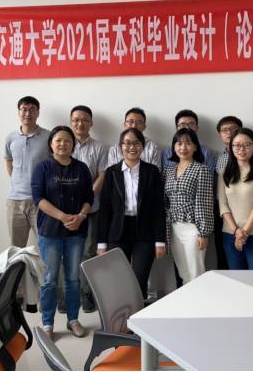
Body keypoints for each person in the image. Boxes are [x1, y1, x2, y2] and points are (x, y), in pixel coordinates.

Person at [31, 126, 94, 341]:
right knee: (50, 279)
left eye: (67, 140)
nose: (62, 144)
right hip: (50, 232)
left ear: (73, 144)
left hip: (76, 231)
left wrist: (81, 216)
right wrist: (63, 217)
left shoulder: (81, 168)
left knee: (73, 279)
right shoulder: (43, 167)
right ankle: (48, 322)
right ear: (51, 143)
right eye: (58, 140)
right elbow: (38, 198)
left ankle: (73, 319)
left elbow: (89, 196)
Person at [97, 129, 166, 298]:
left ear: (142, 146)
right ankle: (121, 314)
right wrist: (101, 243)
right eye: (127, 143)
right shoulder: (112, 172)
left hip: (145, 233)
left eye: (136, 143)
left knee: (139, 281)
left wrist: (159, 240)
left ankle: (137, 315)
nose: (132, 147)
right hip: (118, 232)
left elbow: (158, 207)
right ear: (121, 146)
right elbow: (105, 209)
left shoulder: (151, 171)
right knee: (119, 281)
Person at [4, 96, 50, 298]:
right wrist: (19, 183)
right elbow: (9, 163)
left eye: (32, 109)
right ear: (18, 112)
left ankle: (45, 294)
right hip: (15, 201)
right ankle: (18, 294)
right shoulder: (10, 138)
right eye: (24, 109)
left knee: (46, 249)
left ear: (38, 112)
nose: (28, 113)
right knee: (17, 251)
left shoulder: (48, 137)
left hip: (41, 201)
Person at [69, 106, 107, 314]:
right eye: (76, 120)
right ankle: (70, 294)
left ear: (91, 123)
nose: (80, 123)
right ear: (70, 122)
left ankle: (88, 292)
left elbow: (101, 176)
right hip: (65, 210)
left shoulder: (99, 147)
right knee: (67, 252)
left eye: (84, 120)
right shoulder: (63, 143)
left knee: (89, 252)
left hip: (92, 208)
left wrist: (86, 201)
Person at [163, 129, 214, 285]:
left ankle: (201, 300)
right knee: (184, 274)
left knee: (196, 273)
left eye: (188, 143)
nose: (183, 147)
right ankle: (188, 301)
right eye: (179, 143)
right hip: (172, 227)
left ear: (195, 147)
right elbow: (164, 201)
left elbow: (205, 203)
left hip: (193, 228)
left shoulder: (201, 169)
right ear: (174, 147)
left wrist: (203, 233)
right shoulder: (168, 170)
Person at [218, 128, 253, 270]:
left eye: (247, 145)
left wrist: (243, 233)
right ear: (231, 147)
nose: (241, 149)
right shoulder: (224, 173)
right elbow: (222, 205)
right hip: (230, 234)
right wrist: (236, 231)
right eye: (237, 145)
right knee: (236, 279)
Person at [213, 116, 243, 270]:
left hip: (246, 210)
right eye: (225, 130)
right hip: (222, 210)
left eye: (233, 129)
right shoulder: (219, 158)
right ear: (220, 134)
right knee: (223, 252)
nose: (229, 133)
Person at [162, 110, 216, 177]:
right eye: (182, 125)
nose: (187, 127)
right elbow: (164, 178)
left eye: (191, 124)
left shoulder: (206, 152)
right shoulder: (167, 152)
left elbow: (210, 179)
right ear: (177, 129)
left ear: (197, 128)